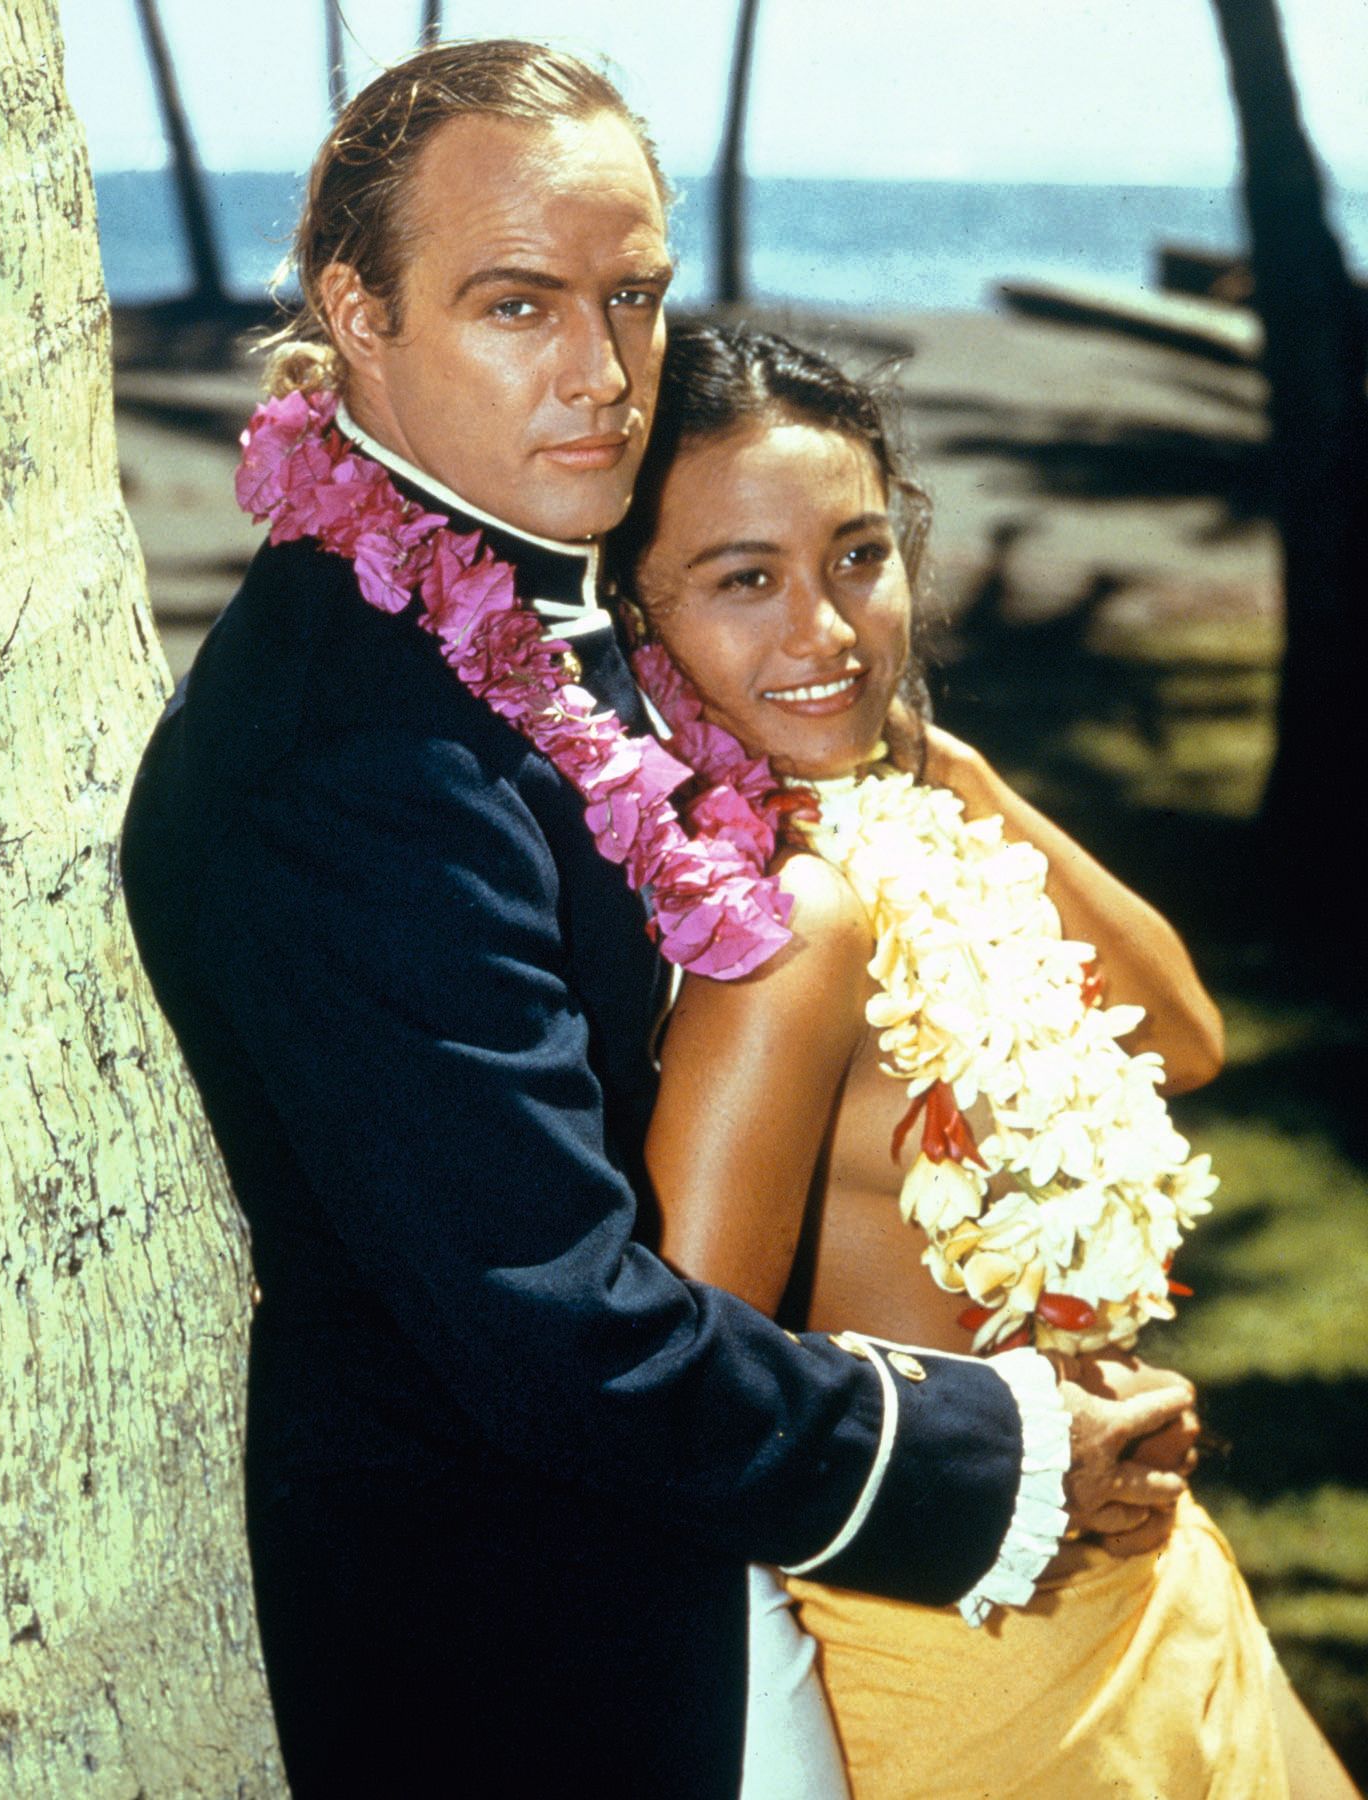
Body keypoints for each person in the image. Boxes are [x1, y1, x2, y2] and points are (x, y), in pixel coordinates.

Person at [119, 41, 1199, 1797]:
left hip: (687, 1567)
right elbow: (559, 1327)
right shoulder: (353, 754)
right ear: (359, 313)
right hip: (544, 1653)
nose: (608, 375)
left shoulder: (524, 619)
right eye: (519, 305)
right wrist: (992, 1452)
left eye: (631, 297)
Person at [610, 319, 1362, 1799]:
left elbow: (1183, 1035)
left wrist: (945, 766)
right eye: (744, 580)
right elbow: (690, 1389)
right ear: (639, 627)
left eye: (857, 557)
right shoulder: (784, 927)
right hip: (977, 1658)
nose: (828, 631)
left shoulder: (913, 825)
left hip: (1161, 1593)